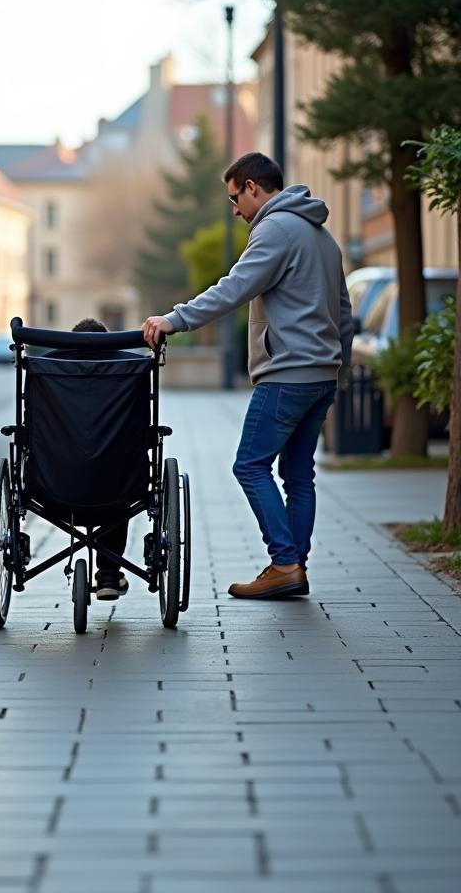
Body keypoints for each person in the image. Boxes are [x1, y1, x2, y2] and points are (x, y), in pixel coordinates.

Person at [142, 152, 353, 599]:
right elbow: (344, 310)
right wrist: (339, 366)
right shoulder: (323, 236)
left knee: (250, 465)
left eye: (235, 197)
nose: (234, 208)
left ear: (254, 187)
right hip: (321, 374)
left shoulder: (276, 230)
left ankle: (284, 563)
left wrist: (174, 319)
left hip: (287, 375)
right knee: (299, 476)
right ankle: (295, 565)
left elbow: (235, 288)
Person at [71, 316, 130, 601]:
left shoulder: (45, 372)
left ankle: (108, 572)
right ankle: (108, 573)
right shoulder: (129, 372)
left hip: (53, 483)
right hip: (118, 484)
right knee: (118, 473)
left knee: (108, 473)